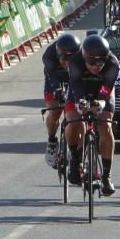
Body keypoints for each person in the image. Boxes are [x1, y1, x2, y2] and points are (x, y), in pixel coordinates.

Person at [64, 34, 119, 196]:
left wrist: (101, 102)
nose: (96, 66)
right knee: (73, 121)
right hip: (80, 88)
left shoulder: (113, 64)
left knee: (106, 125)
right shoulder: (75, 61)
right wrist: (80, 102)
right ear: (83, 57)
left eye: (100, 62)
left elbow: (107, 88)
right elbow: (76, 86)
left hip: (102, 90)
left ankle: (107, 176)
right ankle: (75, 158)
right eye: (91, 62)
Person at [42, 32, 80, 167]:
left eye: (71, 58)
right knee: (54, 110)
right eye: (63, 58)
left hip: (74, 77)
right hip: (55, 77)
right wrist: (58, 91)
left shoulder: (82, 54)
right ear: (57, 54)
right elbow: (52, 77)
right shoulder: (49, 56)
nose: (66, 62)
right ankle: (52, 140)